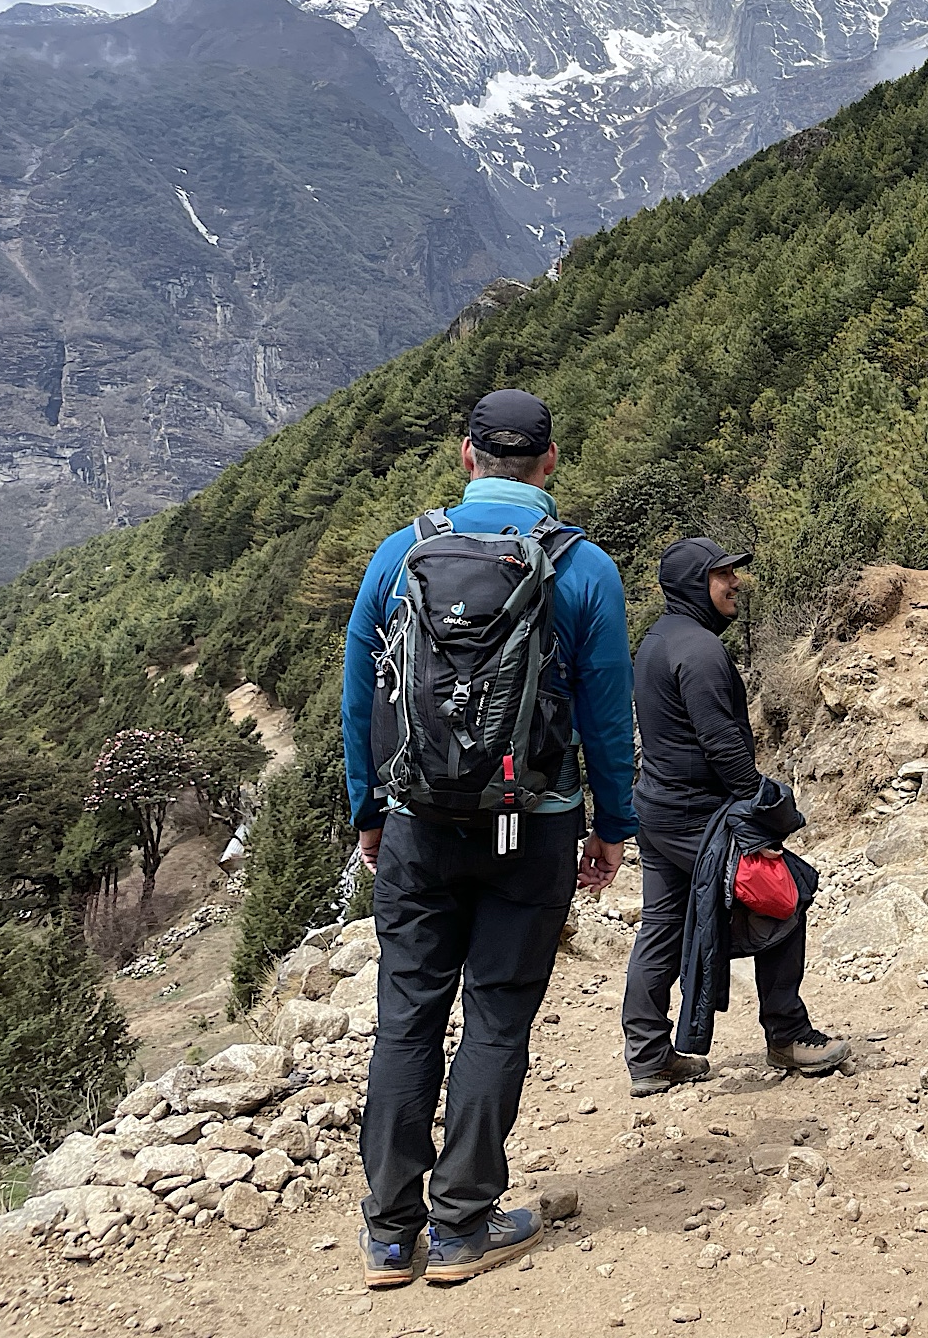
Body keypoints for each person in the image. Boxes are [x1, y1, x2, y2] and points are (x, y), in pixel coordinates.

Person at [340, 389, 636, 1288]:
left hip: (419, 825)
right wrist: (613, 826)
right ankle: (463, 1225)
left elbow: (360, 692)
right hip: (532, 826)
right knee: (497, 1016)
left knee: (408, 1018)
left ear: (465, 456)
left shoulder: (401, 554)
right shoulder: (583, 570)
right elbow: (607, 715)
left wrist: (367, 811)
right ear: (550, 463)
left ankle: (391, 1236)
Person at [622, 536, 849, 1094]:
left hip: (657, 810)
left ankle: (649, 1056)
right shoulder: (699, 651)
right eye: (723, 575)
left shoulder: (657, 641)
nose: (735, 583)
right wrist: (759, 817)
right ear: (695, 583)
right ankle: (789, 1036)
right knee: (786, 894)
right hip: (700, 818)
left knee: (662, 925)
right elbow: (723, 745)